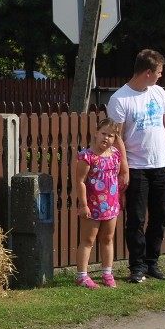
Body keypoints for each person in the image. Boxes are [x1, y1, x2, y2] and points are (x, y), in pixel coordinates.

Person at [107, 49, 165, 284]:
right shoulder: (120, 99)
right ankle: (137, 266)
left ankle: (152, 262)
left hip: (161, 166)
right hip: (137, 167)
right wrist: (125, 167)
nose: (161, 76)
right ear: (148, 72)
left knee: (159, 217)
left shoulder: (158, 93)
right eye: (159, 72)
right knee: (136, 219)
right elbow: (116, 136)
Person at [74, 117, 122, 289]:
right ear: (96, 133)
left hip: (111, 205)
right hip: (92, 206)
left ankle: (107, 273)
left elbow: (114, 177)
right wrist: (84, 204)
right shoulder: (86, 156)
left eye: (111, 135)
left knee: (108, 238)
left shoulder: (116, 154)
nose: (106, 138)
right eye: (103, 133)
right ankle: (82, 276)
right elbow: (80, 181)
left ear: (115, 138)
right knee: (88, 240)